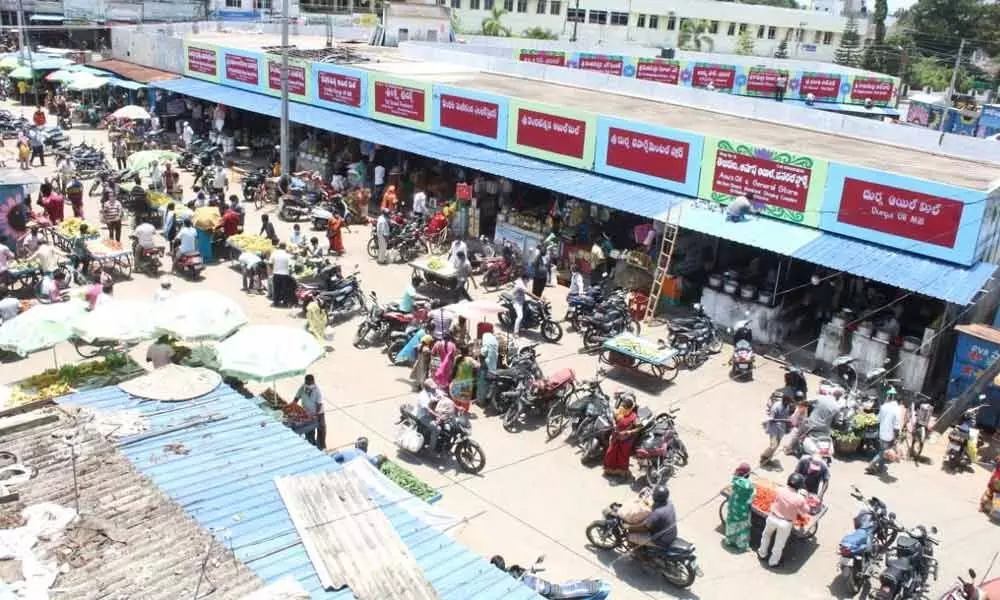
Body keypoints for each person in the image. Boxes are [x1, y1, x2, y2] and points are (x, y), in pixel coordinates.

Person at [758, 473, 810, 568]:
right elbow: (807, 510)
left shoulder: (779, 490)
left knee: (766, 535)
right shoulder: (799, 498)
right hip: (785, 523)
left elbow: (773, 498)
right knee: (779, 543)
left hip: (772, 518)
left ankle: (762, 554)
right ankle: (773, 562)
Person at [627, 485, 677, 551]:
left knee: (630, 536)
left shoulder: (657, 513)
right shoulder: (669, 503)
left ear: (655, 497)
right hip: (671, 534)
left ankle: (639, 555)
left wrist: (629, 528)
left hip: (661, 540)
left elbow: (644, 528)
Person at [603, 395, 640, 478]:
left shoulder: (634, 416)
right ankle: (609, 470)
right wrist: (614, 424)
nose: (622, 409)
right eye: (622, 406)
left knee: (623, 456)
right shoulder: (619, 411)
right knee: (610, 453)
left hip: (626, 439)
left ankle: (621, 472)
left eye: (625, 408)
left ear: (630, 408)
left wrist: (629, 431)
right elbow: (613, 417)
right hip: (615, 436)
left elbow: (639, 427)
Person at [867, 389, 901, 475]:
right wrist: (897, 438)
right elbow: (896, 426)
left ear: (888, 397)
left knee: (882, 450)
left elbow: (878, 419)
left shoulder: (883, 406)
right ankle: (871, 465)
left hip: (881, 433)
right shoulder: (896, 409)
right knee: (883, 452)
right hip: (889, 435)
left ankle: (880, 468)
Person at [725, 462, 756, 551]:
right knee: (742, 527)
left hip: (733, 508)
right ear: (748, 474)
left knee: (731, 524)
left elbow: (735, 479)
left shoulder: (735, 481)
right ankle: (740, 544)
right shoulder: (750, 486)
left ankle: (729, 541)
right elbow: (752, 497)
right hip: (742, 511)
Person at [293, 374, 325, 450]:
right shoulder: (303, 387)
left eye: (309, 383)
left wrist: (315, 415)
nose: (308, 384)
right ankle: (311, 444)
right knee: (309, 430)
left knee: (321, 429)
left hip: (318, 413)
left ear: (313, 382)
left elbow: (319, 404)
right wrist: (292, 406)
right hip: (306, 412)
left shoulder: (317, 391)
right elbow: (297, 397)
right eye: (306, 383)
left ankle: (321, 446)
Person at [760, 393, 793, 466]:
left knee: (777, 446)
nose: (789, 403)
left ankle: (768, 460)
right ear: (785, 400)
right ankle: (763, 456)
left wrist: (787, 426)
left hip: (781, 429)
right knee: (773, 446)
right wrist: (784, 420)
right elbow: (771, 419)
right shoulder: (776, 406)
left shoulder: (787, 406)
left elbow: (786, 416)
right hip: (774, 428)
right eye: (789, 401)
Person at [477, 326, 499, 405]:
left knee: (482, 383)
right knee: (488, 383)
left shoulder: (486, 344)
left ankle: (480, 401)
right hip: (493, 365)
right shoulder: (494, 342)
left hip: (485, 365)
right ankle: (487, 398)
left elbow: (483, 353)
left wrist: (479, 355)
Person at [269, 242, 294, 307]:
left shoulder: (274, 253)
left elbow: (270, 263)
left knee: (276, 288)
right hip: (285, 274)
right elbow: (290, 265)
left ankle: (276, 302)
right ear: (285, 247)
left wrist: (273, 269)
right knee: (284, 289)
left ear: (279, 246)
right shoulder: (287, 255)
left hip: (276, 273)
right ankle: (284, 303)